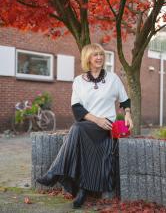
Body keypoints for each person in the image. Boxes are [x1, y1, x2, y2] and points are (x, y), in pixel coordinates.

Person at [36, 43, 133, 208]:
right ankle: (81, 191)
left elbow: (124, 100)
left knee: (76, 129)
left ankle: (54, 173)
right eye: (95, 55)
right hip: (89, 124)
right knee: (79, 132)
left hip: (106, 126)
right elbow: (77, 108)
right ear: (87, 58)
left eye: (101, 55)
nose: (99, 58)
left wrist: (128, 115)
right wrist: (96, 120)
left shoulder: (113, 78)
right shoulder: (78, 81)